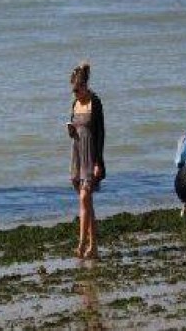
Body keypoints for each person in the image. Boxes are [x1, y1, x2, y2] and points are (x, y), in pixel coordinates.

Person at [67, 61, 106, 259]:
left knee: (84, 199)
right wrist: (71, 131)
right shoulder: (75, 104)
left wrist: (99, 162)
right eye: (73, 91)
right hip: (77, 155)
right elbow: (75, 128)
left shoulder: (95, 102)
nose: (75, 94)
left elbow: (101, 134)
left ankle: (82, 244)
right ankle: (94, 246)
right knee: (86, 203)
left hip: (91, 157)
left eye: (77, 90)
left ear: (84, 86)